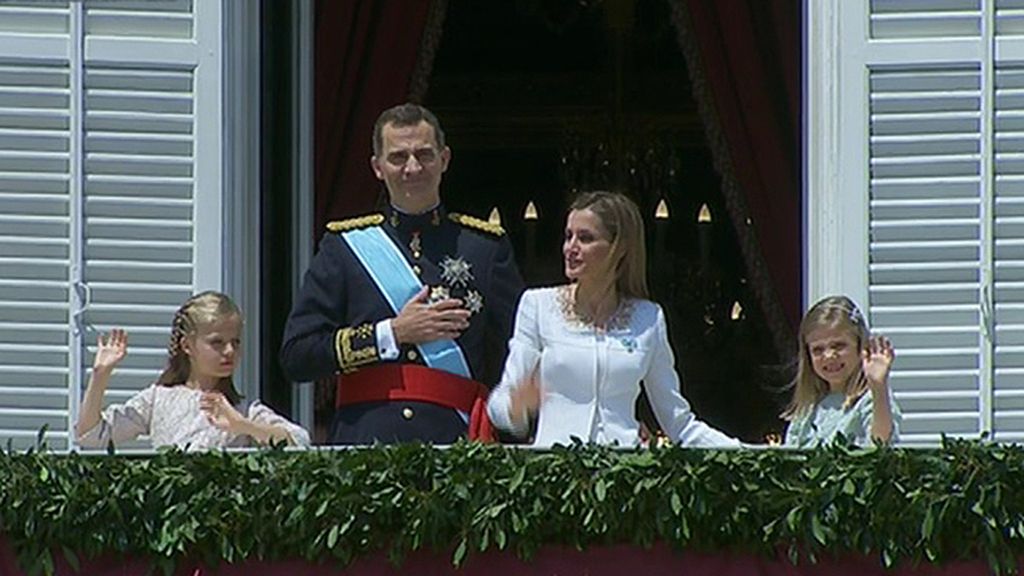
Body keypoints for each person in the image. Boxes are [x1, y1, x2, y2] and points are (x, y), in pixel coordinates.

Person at [280, 103, 524, 444]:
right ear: (377, 167)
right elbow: (297, 356)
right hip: (365, 445)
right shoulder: (343, 248)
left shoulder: (484, 249)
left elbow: (516, 355)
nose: (413, 167)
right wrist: (392, 333)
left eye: (424, 155)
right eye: (398, 157)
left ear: (445, 159)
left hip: (456, 446)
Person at [486, 191, 738, 447]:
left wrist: (746, 452)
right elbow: (499, 405)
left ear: (619, 249)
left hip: (624, 466)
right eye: (568, 236)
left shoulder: (648, 318)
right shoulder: (538, 306)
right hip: (554, 464)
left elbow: (678, 422)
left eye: (585, 238)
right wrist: (518, 407)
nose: (571, 248)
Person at [76, 291, 310, 450]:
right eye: (217, 342)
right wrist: (100, 375)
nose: (230, 351)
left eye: (235, 342)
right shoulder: (157, 399)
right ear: (187, 345)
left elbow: (299, 440)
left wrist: (242, 425)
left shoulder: (241, 409)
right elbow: (91, 436)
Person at [782, 295, 900, 447]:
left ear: (860, 346)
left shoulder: (871, 400)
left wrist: (878, 387)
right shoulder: (809, 407)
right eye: (818, 349)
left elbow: (880, 444)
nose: (829, 355)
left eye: (838, 345)